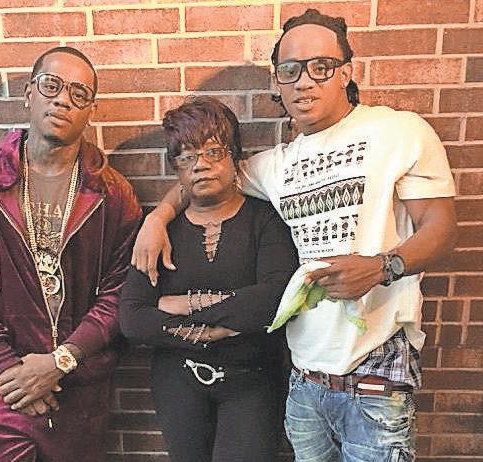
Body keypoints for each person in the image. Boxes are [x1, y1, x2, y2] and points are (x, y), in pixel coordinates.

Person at [131, 9, 457, 462]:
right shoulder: (273, 165)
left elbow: (441, 228)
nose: (305, 81)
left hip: (376, 367)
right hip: (304, 372)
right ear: (277, 81)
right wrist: (158, 218)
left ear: (346, 72)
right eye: (290, 70)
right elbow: (203, 174)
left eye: (320, 67)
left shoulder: (398, 132)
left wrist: (384, 266)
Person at [0, 46, 141, 462]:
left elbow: (118, 294)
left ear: (90, 110)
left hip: (78, 386)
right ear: (29, 94)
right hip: (2, 385)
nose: (63, 100)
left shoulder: (113, 194)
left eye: (78, 93)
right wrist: (7, 369)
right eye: (51, 85)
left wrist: (60, 361)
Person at [119, 96, 298, 462]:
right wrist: (224, 319)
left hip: (253, 379)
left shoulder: (265, 220)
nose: (201, 165)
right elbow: (133, 318)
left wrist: (180, 304)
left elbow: (273, 300)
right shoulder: (159, 233)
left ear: (235, 157)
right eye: (186, 156)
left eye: (214, 152)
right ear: (176, 168)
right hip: (177, 382)